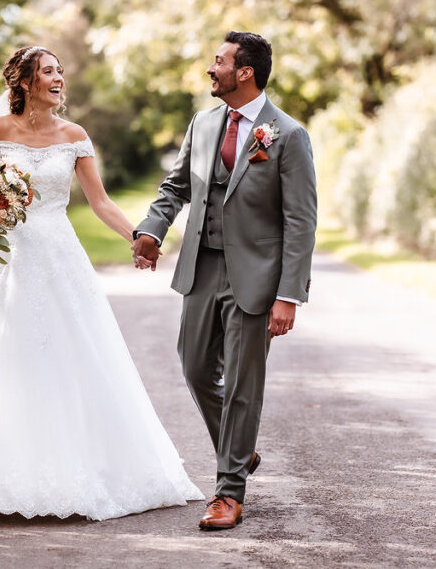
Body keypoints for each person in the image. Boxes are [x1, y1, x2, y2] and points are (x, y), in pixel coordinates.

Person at [0, 45, 203, 520]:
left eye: (60, 71)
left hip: (59, 257)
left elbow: (99, 203)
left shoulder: (74, 135)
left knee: (70, 353)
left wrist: (138, 237)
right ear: (23, 82)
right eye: (48, 72)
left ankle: (79, 464)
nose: (59, 78)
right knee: (0, 354)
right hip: (6, 265)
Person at [133, 31, 318, 530]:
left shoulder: (288, 135)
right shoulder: (204, 122)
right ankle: (240, 448)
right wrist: (152, 228)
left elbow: (301, 220)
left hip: (257, 278)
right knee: (194, 368)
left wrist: (289, 295)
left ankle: (228, 492)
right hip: (202, 266)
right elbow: (176, 186)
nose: (209, 69)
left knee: (241, 383)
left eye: (218, 62)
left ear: (245, 73)